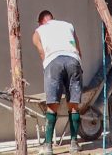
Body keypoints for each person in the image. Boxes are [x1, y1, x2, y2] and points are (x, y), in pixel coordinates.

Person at [32, 10, 82, 152]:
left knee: (52, 104)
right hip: (73, 61)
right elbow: (78, 48)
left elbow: (42, 52)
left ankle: (48, 146)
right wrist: (78, 67)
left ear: (41, 21)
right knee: (73, 105)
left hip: (53, 62)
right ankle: (74, 143)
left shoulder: (38, 31)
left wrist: (47, 68)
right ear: (52, 19)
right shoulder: (68, 25)